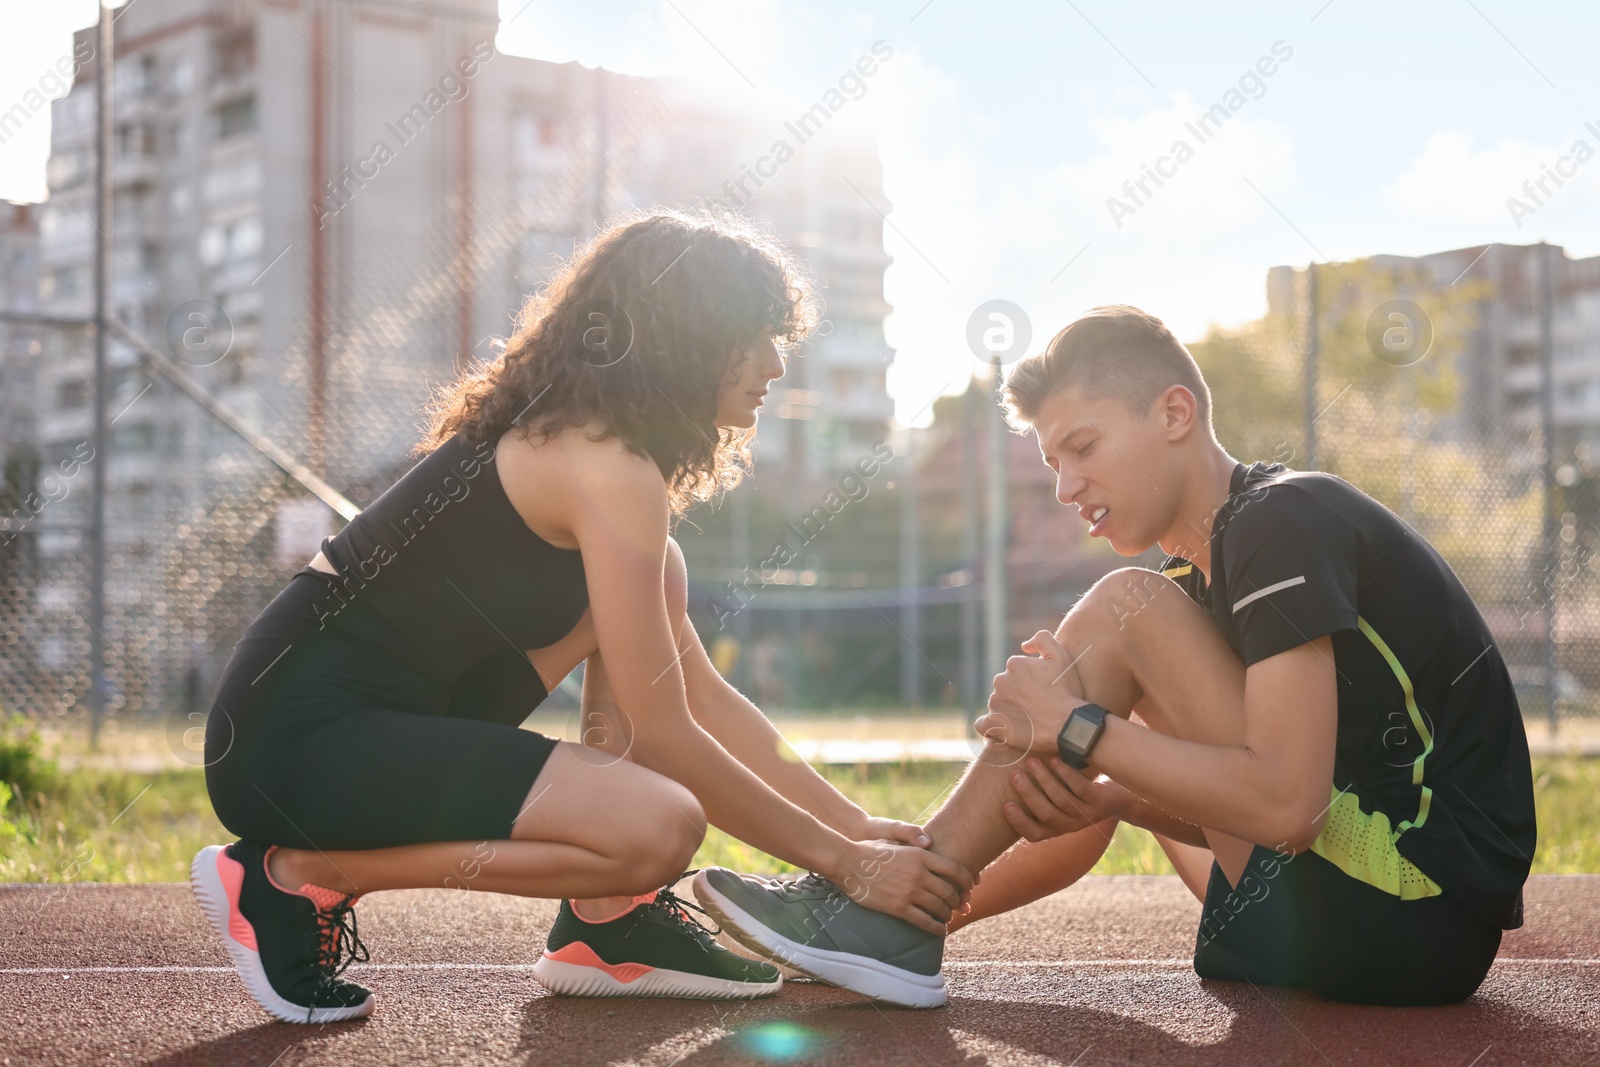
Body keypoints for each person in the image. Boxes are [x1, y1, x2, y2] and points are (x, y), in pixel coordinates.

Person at [190, 207, 972, 1024]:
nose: (777, 360)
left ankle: (610, 921)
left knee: (660, 583)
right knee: (661, 823)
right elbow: (670, 737)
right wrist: (846, 864)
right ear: (686, 331)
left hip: (371, 724)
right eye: (755, 332)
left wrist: (853, 825)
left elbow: (696, 697)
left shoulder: (603, 459)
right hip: (291, 743)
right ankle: (294, 875)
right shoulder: (602, 463)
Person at [695, 304, 1537, 1008]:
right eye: (1054, 461)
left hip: (1415, 906)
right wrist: (1111, 793)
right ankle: (903, 915)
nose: (1066, 486)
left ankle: (892, 914)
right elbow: (1249, 795)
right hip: (1364, 913)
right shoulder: (1204, 571)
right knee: (1109, 687)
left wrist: (1079, 726)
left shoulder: (1280, 522)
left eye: (1083, 447)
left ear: (1175, 414)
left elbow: (1287, 805)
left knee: (1123, 609)